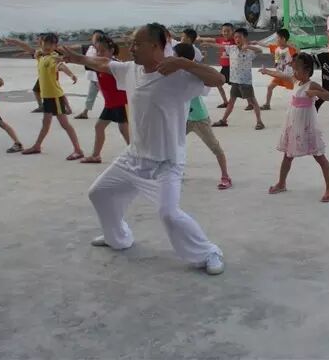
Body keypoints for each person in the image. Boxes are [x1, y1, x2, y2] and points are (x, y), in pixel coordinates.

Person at [58, 23, 226, 276]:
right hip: (134, 157)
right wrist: (78, 58)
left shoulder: (177, 75)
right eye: (131, 42)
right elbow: (104, 64)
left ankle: (209, 252)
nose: (131, 47)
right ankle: (118, 237)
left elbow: (219, 79)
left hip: (166, 161)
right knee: (99, 193)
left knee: (169, 214)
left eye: (137, 43)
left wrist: (183, 63)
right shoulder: (131, 70)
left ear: (156, 46)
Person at [265, 53, 329, 203]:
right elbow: (281, 74)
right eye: (294, 69)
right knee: (287, 156)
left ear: (307, 70)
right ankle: (281, 183)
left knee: (320, 157)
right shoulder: (295, 80)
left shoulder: (312, 85)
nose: (294, 73)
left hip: (307, 127)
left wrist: (316, 93)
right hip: (293, 125)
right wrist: (267, 72)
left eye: (297, 69)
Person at [6, 33, 85, 160]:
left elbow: (61, 66)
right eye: (45, 43)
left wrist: (71, 75)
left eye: (51, 44)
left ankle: (78, 150)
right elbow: (28, 48)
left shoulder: (54, 57)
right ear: (40, 43)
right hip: (47, 97)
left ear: (55, 46)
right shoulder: (40, 56)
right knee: (46, 123)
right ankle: (37, 146)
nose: (48, 46)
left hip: (55, 96)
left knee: (65, 124)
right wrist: (14, 41)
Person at [174, 43, 233, 189]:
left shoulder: (194, 73)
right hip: (183, 118)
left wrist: (195, 69)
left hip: (199, 118)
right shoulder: (174, 73)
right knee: (172, 145)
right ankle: (175, 172)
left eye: (173, 55)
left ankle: (226, 176)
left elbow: (211, 84)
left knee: (215, 147)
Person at [81, 36, 130, 164]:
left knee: (124, 130)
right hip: (110, 104)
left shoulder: (115, 65)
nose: (99, 53)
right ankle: (96, 156)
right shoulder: (99, 64)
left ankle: (137, 156)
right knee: (99, 127)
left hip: (121, 103)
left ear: (111, 50)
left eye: (103, 51)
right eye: (98, 51)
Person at [208, 27, 265, 130]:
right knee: (231, 101)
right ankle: (224, 120)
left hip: (245, 82)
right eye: (235, 37)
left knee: (253, 101)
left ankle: (259, 122)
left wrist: (248, 47)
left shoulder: (249, 51)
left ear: (245, 37)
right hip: (235, 81)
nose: (237, 39)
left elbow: (260, 50)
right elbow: (220, 45)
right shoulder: (232, 48)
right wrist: (210, 44)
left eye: (239, 37)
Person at [197, 23, 233, 108]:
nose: (226, 33)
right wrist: (200, 38)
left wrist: (210, 44)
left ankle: (251, 103)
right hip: (225, 67)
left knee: (239, 87)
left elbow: (222, 46)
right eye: (224, 31)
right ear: (221, 31)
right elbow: (211, 39)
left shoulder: (235, 40)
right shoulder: (220, 40)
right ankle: (226, 102)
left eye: (228, 31)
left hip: (233, 67)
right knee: (219, 84)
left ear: (232, 31)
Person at [261, 28, 298, 111]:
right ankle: (267, 104)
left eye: (277, 38)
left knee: (294, 91)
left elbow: (298, 54)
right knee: (270, 87)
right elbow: (266, 45)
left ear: (283, 39)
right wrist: (257, 43)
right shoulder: (276, 47)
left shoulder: (290, 49)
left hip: (288, 75)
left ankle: (296, 105)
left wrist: (293, 47)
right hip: (278, 74)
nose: (276, 39)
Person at [75, 29, 106, 119]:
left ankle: (118, 111)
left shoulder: (102, 49)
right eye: (94, 37)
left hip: (100, 77)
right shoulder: (90, 47)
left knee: (107, 96)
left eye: (97, 37)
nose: (94, 39)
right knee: (91, 95)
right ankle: (85, 112)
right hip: (93, 77)